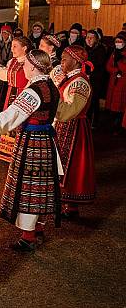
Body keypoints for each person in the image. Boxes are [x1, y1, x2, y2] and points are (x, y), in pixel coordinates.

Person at [0, 50, 62, 251]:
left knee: (29, 187)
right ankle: (38, 230)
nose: (22, 68)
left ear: (33, 66)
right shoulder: (51, 85)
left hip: (32, 142)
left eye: (25, 65)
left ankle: (28, 237)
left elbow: (8, 118)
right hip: (46, 141)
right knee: (42, 185)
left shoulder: (33, 91)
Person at [52, 45, 95, 219]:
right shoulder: (70, 78)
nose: (61, 60)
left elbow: (72, 109)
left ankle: (70, 205)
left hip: (74, 128)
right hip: (64, 125)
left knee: (72, 165)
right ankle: (63, 201)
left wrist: (51, 103)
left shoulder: (80, 82)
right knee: (61, 163)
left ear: (76, 61)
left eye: (64, 57)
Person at [0, 36, 32, 162]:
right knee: (9, 119)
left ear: (25, 48)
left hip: (24, 95)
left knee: (21, 122)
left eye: (15, 46)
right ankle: (8, 152)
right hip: (10, 93)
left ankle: (20, 153)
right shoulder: (12, 62)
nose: (12, 49)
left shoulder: (30, 62)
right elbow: (4, 75)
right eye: (11, 46)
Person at [85, 30, 108, 128]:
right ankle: (87, 120)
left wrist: (90, 74)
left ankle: (94, 122)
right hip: (86, 77)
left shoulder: (100, 49)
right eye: (87, 37)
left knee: (94, 101)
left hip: (96, 79)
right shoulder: (85, 48)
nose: (89, 39)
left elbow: (99, 64)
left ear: (96, 39)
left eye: (91, 37)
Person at [105, 32, 126, 134]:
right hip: (113, 82)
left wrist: (118, 64)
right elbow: (108, 66)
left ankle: (118, 126)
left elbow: (124, 69)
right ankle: (112, 125)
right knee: (112, 105)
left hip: (122, 83)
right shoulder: (114, 53)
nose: (118, 43)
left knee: (120, 105)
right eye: (116, 41)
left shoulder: (123, 54)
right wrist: (115, 71)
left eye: (120, 42)